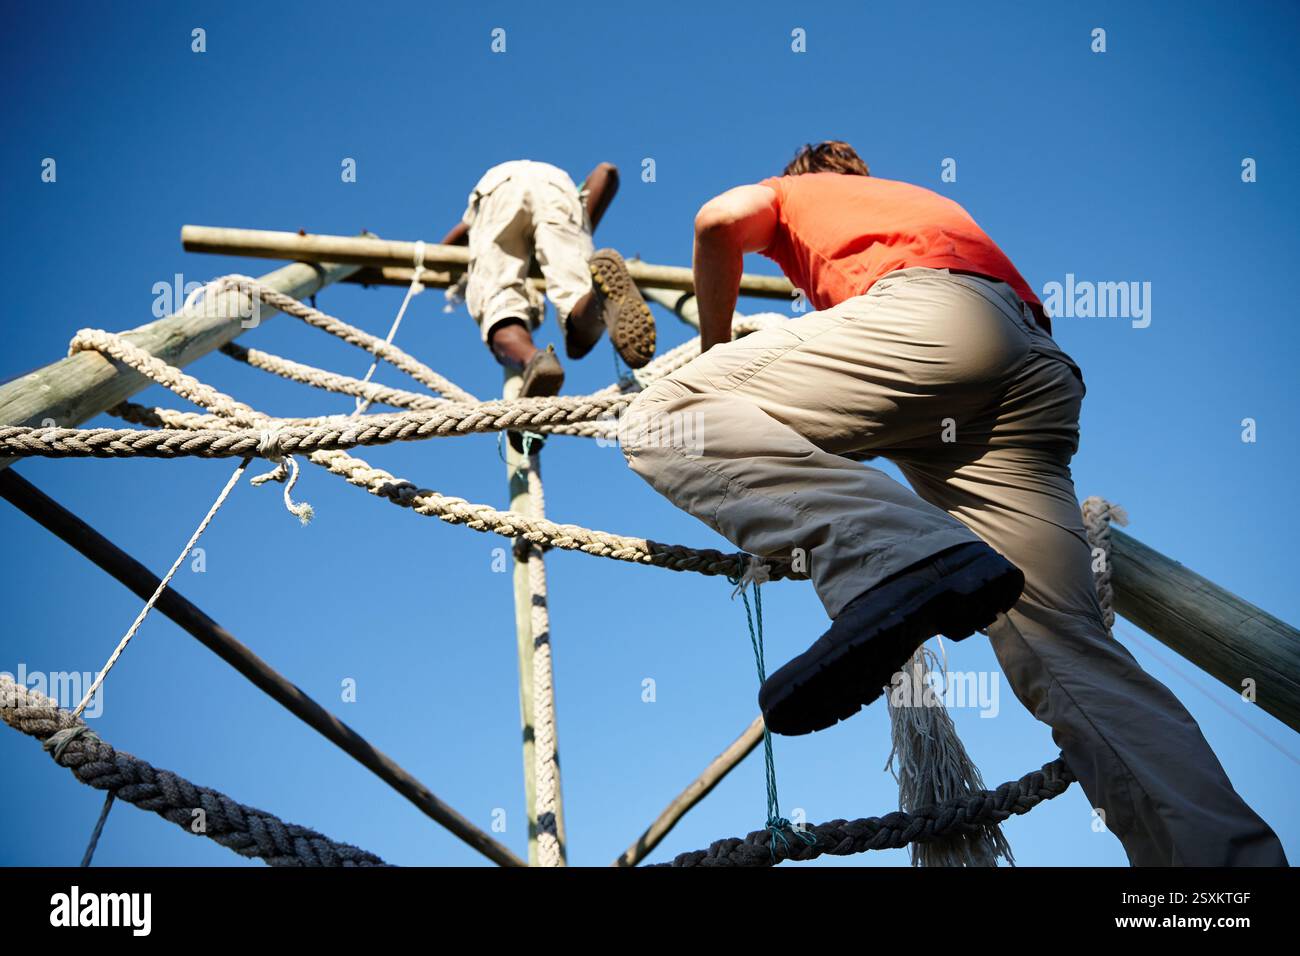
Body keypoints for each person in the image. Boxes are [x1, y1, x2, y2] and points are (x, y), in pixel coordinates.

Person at [619, 140, 1287, 866]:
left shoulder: (793, 194)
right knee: (1069, 657)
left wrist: (714, 348)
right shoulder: (914, 207)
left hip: (933, 325)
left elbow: (717, 220)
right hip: (1028, 373)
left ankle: (898, 561)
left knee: (664, 417)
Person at [441, 160, 656, 398]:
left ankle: (535, 359)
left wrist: (443, 255)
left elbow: (464, 229)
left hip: (497, 189)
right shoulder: (566, 190)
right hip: (557, 187)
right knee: (575, 301)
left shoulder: (501, 185)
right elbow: (607, 171)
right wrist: (582, 228)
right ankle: (596, 297)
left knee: (500, 303)